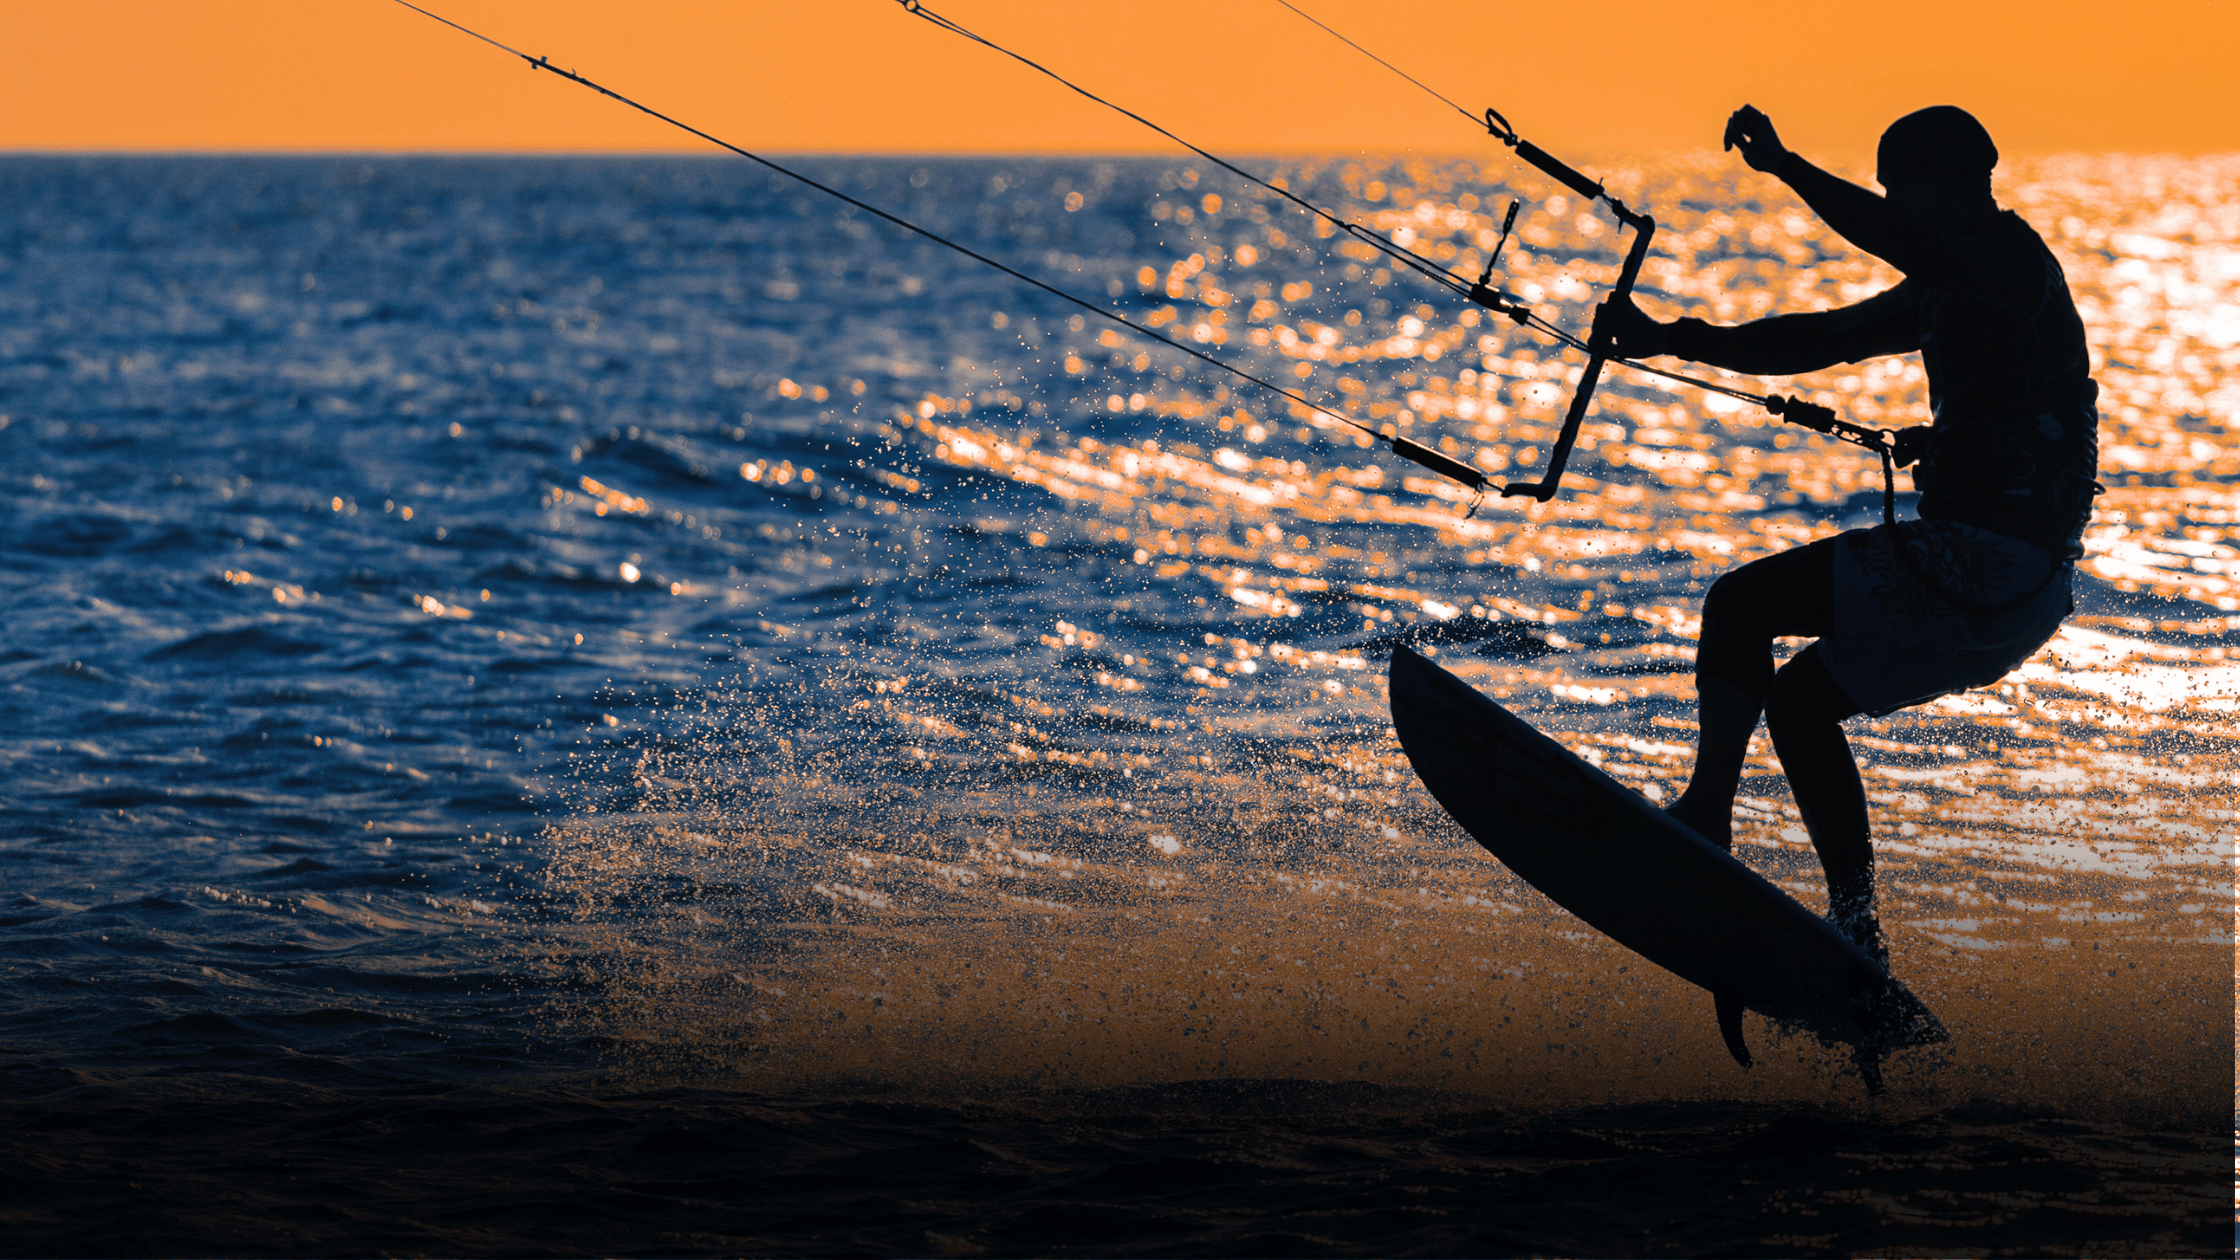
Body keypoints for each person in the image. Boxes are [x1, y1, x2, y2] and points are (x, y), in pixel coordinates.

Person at [1595, 105, 2101, 964]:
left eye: (1899, 190)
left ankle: (1706, 815)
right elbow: (1820, 339)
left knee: (1741, 603)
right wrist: (1674, 339)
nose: (1893, 207)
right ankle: (1858, 931)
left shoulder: (2008, 265)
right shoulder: (1957, 282)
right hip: (2011, 582)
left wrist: (1787, 165)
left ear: (1941, 183)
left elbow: (1896, 237)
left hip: (1989, 566)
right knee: (1798, 703)